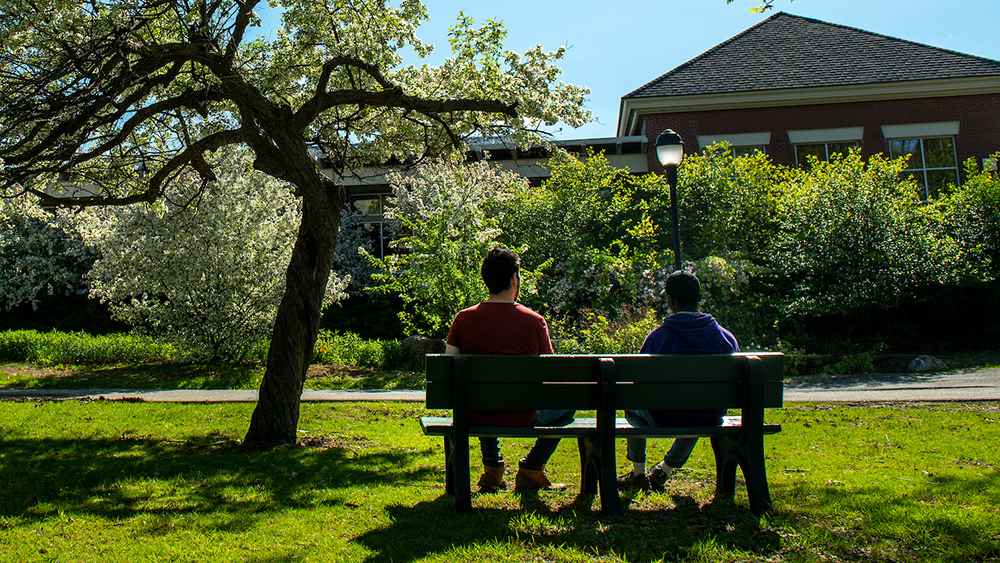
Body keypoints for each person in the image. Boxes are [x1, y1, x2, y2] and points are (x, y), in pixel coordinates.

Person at [445, 246, 574, 493]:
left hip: (477, 413)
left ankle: (493, 471)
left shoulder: (463, 319)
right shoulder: (535, 322)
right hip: (524, 413)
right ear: (515, 278)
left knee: (481, 394)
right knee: (568, 405)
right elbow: (552, 373)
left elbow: (452, 370)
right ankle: (532, 469)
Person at [618, 270, 740, 492]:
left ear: (671, 301)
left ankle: (637, 472)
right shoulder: (726, 338)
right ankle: (665, 469)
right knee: (697, 408)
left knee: (631, 408)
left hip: (665, 415)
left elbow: (637, 386)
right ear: (698, 299)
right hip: (710, 415)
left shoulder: (657, 338)